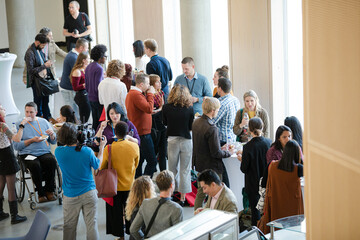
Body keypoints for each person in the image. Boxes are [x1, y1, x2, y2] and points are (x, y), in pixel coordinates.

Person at [55, 122, 106, 240]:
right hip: (89, 192)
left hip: (70, 195)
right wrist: (102, 147)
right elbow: (97, 165)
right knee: (91, 226)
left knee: (69, 227)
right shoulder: (87, 151)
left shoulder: (59, 152)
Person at [192, 97, 234, 210]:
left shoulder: (196, 122)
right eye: (218, 109)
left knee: (201, 192)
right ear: (213, 110)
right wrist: (228, 152)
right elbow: (216, 153)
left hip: (200, 163)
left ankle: (196, 214)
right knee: (217, 193)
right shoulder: (212, 128)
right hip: (212, 166)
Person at [100, 121, 139, 240]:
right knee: (130, 211)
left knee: (115, 213)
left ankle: (120, 236)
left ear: (115, 133)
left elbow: (102, 166)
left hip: (114, 187)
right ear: (127, 133)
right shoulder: (134, 146)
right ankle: (132, 233)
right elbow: (136, 164)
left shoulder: (109, 148)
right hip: (130, 185)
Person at [13, 102, 57, 203]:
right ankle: (40, 193)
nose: (28, 115)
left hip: (43, 152)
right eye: (27, 112)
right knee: (34, 165)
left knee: (51, 161)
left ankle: (50, 190)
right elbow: (16, 146)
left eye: (31, 112)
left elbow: (53, 141)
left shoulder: (44, 122)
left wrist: (52, 135)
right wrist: (31, 140)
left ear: (36, 112)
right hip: (27, 153)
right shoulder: (19, 124)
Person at [258, 140, 304, 234]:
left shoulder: (272, 165)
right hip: (293, 206)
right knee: (293, 231)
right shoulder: (298, 168)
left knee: (277, 230)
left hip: (276, 203)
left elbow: (264, 183)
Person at [162, 84, 194, 205]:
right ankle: (183, 197)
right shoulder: (190, 108)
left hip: (172, 140)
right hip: (186, 140)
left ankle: (171, 193)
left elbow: (164, 122)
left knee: (171, 169)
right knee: (185, 169)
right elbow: (191, 126)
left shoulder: (166, 107)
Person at [130, 170, 183, 239]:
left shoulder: (145, 203)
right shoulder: (177, 209)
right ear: (171, 185)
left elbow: (133, 229)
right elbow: (177, 236)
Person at [237, 117, 271, 226]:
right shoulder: (269, 143)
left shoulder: (247, 147)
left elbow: (244, 169)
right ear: (263, 127)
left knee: (255, 212)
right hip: (267, 182)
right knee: (267, 210)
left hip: (253, 184)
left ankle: (256, 233)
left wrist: (241, 159)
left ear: (249, 130)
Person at [125, 73, 157, 178]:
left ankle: (139, 184)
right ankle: (144, 184)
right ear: (141, 84)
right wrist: (150, 94)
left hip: (139, 131)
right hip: (142, 133)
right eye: (147, 83)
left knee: (140, 160)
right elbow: (149, 108)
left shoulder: (133, 93)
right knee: (152, 161)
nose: (149, 86)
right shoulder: (136, 94)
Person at [0, 104, 27, 224]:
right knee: (11, 188)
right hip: (6, 155)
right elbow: (16, 138)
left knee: (1, 184)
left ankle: (0, 212)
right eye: (1, 108)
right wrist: (21, 126)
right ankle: (14, 216)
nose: (4, 109)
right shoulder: (2, 125)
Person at [24, 33, 56, 123]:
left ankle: (46, 119)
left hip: (43, 80)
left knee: (46, 101)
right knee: (38, 102)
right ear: (37, 42)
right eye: (43, 45)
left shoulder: (39, 50)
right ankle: (38, 121)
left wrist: (47, 63)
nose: (44, 47)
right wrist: (45, 66)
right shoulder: (29, 53)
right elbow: (30, 71)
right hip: (36, 82)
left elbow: (41, 62)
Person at [60, 38, 89, 116]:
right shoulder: (74, 58)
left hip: (69, 87)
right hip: (68, 89)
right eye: (86, 47)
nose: (87, 49)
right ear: (81, 48)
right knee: (73, 111)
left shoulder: (72, 55)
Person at [125, 176, 156, 240]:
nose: (154, 187)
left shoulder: (132, 205)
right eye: (152, 187)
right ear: (147, 191)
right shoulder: (143, 210)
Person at [85, 44, 107, 130]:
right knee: (100, 122)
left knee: (95, 120)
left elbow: (87, 84)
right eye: (105, 55)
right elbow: (99, 87)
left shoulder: (89, 66)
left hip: (90, 97)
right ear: (100, 57)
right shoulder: (99, 68)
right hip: (97, 99)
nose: (105, 57)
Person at [149, 74, 166, 171]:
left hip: (162, 124)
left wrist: (160, 108)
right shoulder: (150, 95)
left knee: (163, 151)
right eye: (157, 82)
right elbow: (151, 111)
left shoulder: (161, 93)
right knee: (155, 150)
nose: (160, 83)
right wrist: (160, 108)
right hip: (154, 125)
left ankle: (163, 172)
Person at [71, 52, 91, 123]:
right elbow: (75, 87)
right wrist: (84, 85)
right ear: (84, 60)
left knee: (87, 113)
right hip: (81, 96)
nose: (89, 60)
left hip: (86, 94)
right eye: (88, 58)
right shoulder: (77, 71)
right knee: (84, 116)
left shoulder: (85, 69)